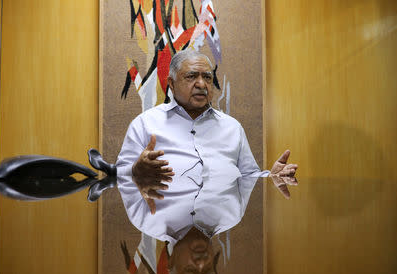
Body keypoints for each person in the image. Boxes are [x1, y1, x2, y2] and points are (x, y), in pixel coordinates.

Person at [116, 49, 297, 201]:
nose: (201, 84)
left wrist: (271, 176)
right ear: (171, 84)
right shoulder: (144, 124)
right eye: (191, 76)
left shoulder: (232, 127)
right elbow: (117, 176)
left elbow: (248, 177)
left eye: (207, 77)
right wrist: (136, 171)